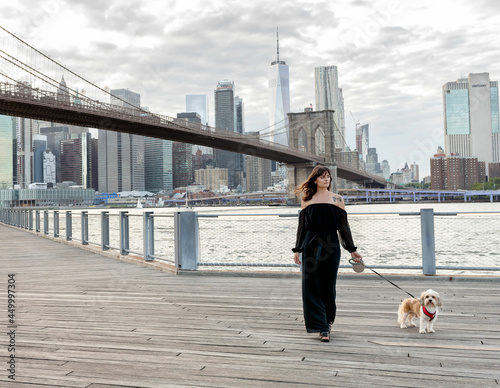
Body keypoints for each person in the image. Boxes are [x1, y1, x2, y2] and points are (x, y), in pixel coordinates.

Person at [292, 165, 362, 342]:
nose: (326, 179)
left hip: (331, 246)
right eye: (323, 177)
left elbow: (344, 228)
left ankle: (327, 321)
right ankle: (322, 327)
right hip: (310, 245)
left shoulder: (338, 199)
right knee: (311, 286)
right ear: (315, 179)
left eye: (328, 177)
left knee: (328, 285)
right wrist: (297, 249)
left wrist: (352, 250)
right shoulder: (306, 199)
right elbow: (302, 227)